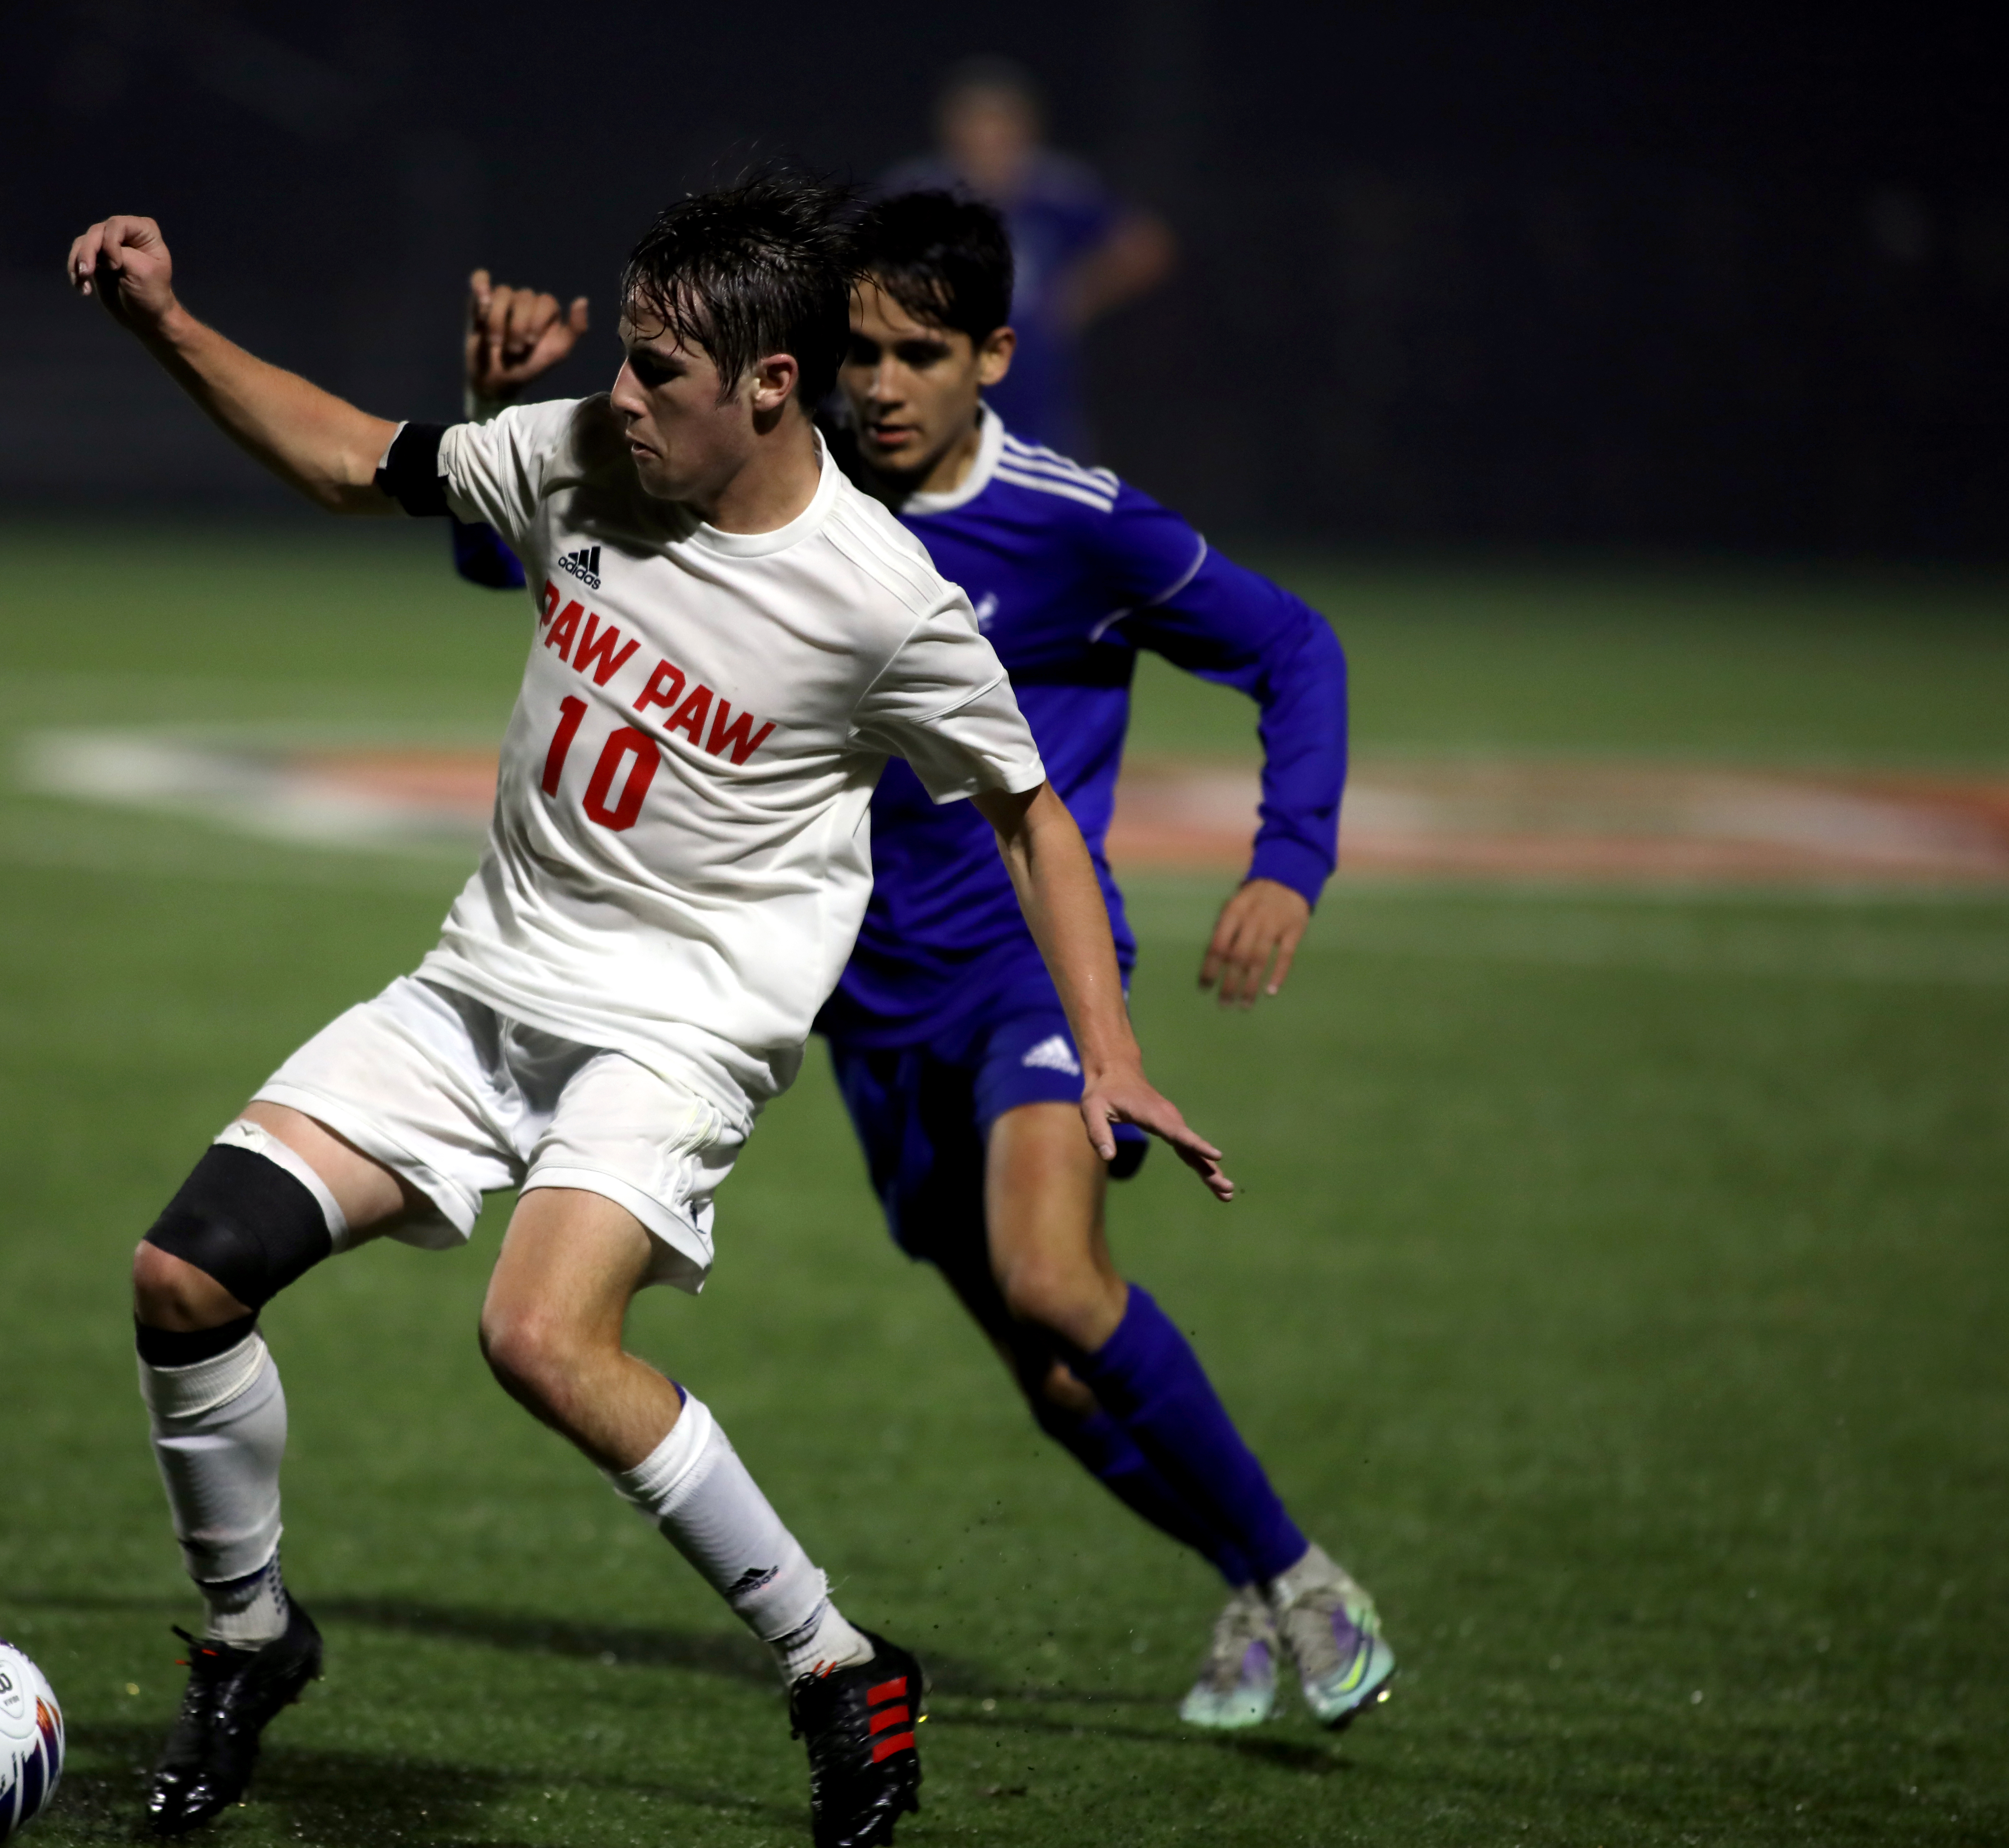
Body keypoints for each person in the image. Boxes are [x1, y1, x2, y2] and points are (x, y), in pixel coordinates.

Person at [63, 175, 1239, 1847]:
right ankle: (252, 1638)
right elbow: (352, 457)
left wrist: (1112, 1061)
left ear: (774, 382)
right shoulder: (582, 457)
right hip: (484, 987)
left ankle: (838, 1665)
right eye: (626, 351)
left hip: (680, 1025)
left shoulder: (880, 597)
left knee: (540, 1337)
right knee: (181, 1277)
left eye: (664, 367)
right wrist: (165, 325)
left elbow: (1032, 811)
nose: (624, 391)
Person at [456, 191, 1393, 1732]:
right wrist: (499, 411)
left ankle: (1298, 1576)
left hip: (1023, 977)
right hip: (851, 1007)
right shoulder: (765, 494)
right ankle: (1243, 1567)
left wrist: (1286, 859)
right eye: (858, 352)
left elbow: (1293, 645)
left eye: (919, 353)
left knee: (1052, 1278)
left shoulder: (1072, 522)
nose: (878, 385)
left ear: (993, 357)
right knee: (1045, 1374)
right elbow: (522, 572)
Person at [880, 57, 1176, 455]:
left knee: (1045, 494)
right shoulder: (918, 192)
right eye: (977, 125)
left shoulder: (1057, 190)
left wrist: (1076, 298)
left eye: (1001, 124)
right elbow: (855, 263)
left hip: (1037, 382)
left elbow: (1146, 246)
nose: (989, 139)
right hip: (942, 378)